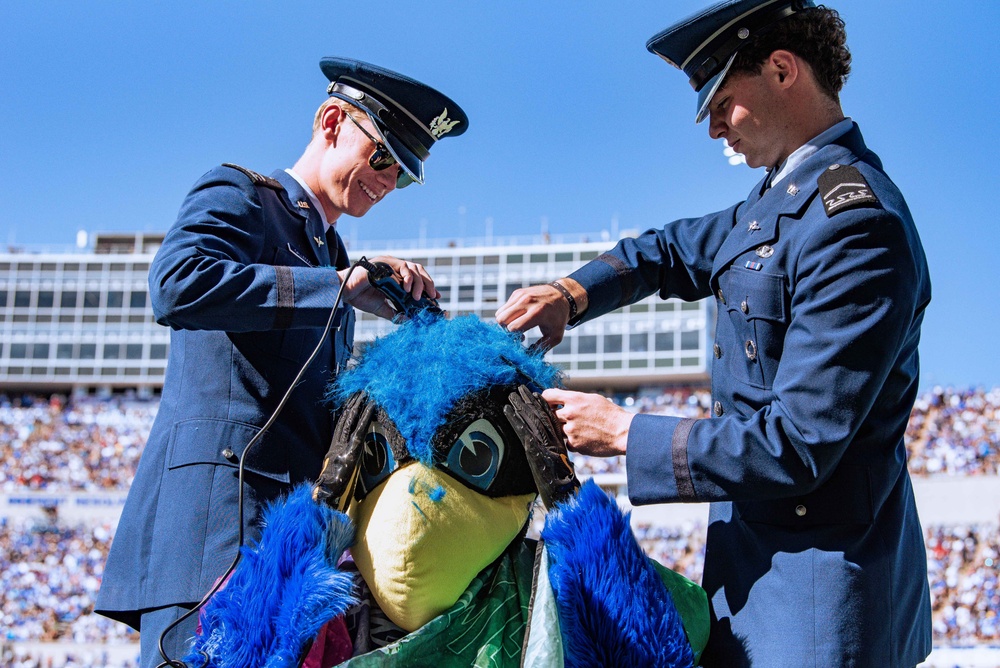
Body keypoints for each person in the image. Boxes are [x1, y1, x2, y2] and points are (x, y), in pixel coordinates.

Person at [496, 1, 932, 665]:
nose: (713, 131)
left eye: (723, 103)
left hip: (815, 603)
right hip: (754, 582)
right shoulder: (780, 198)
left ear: (783, 70)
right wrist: (571, 294)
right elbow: (667, 250)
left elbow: (799, 442)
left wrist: (623, 433)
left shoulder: (853, 223)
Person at [95, 57, 468, 667]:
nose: (385, 182)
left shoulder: (334, 254)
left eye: (401, 177)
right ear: (331, 122)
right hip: (217, 538)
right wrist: (336, 287)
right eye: (381, 158)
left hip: (291, 550)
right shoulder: (241, 193)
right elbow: (177, 284)